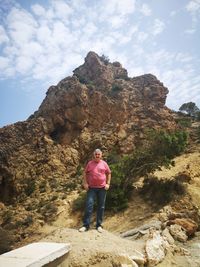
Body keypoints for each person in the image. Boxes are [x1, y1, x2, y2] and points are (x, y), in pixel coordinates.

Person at [79, 148, 111, 233]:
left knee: (101, 206)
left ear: (101, 155)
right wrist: (85, 183)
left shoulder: (104, 163)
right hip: (91, 188)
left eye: (98, 154)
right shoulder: (90, 163)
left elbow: (108, 173)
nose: (97, 155)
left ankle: (99, 225)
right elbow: (85, 173)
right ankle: (86, 226)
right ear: (94, 155)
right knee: (89, 205)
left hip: (102, 188)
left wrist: (108, 183)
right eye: (96, 154)